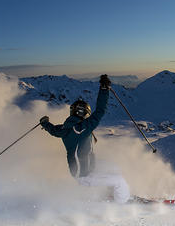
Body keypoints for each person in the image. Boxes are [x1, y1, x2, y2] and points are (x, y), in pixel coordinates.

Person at [39, 74, 130, 203]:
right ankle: (123, 202)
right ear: (85, 113)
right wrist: (104, 89)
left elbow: (53, 130)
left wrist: (45, 123)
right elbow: (100, 111)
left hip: (82, 171)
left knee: (113, 167)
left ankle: (109, 193)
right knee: (119, 181)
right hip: (85, 175)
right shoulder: (83, 127)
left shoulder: (66, 128)